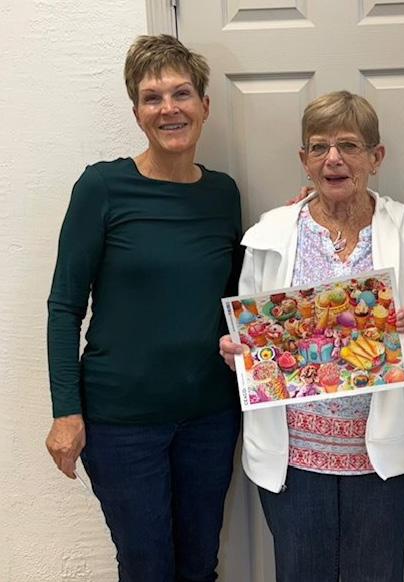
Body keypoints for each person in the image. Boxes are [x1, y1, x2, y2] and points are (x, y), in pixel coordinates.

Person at [219, 90, 404, 582]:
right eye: (319, 146)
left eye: (349, 145)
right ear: (303, 159)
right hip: (294, 459)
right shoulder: (270, 232)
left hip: (383, 457)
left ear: (375, 157)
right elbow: (249, 335)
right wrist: (238, 352)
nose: (333, 158)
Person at [45, 35, 243, 581]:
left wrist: (301, 221)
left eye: (181, 93)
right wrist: (66, 412)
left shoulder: (223, 194)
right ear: (136, 113)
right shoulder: (103, 186)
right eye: (152, 98)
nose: (168, 108)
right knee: (147, 568)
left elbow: (238, 293)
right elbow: (64, 307)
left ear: (205, 105)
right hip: (121, 424)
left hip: (210, 416)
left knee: (200, 566)